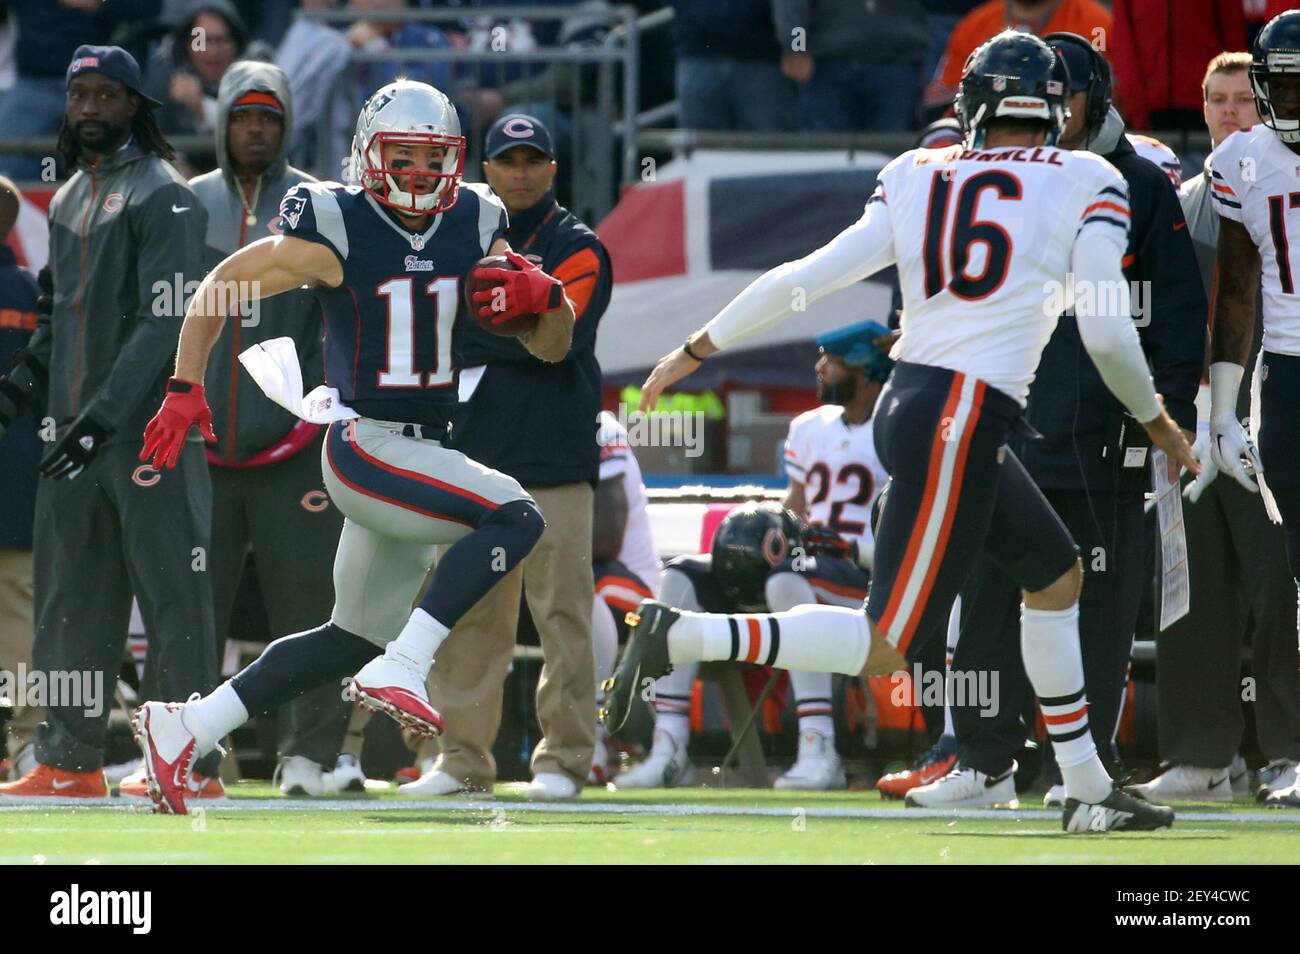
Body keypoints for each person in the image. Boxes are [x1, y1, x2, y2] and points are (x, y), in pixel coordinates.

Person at [605, 31, 1197, 832]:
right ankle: (683, 633)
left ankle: (1087, 785)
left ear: (972, 107)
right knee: (886, 644)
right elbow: (1105, 330)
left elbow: (807, 279)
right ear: (1055, 109)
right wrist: (1158, 418)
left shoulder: (920, 171)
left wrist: (697, 346)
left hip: (934, 406)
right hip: (959, 415)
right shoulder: (1089, 176)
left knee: (1055, 577)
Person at [128, 79, 571, 815]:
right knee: (517, 516)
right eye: (403, 156)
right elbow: (221, 283)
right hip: (367, 446)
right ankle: (406, 663)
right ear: (369, 154)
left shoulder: (478, 217)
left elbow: (552, 349)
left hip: (422, 448)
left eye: (435, 160)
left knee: (345, 637)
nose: (421, 174)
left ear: (456, 162)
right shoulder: (335, 219)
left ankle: (184, 726)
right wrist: (184, 385)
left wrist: (545, 299)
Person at [909, 31, 1205, 810]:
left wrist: (1159, 422)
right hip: (1004, 425)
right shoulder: (989, 176)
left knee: (1102, 616)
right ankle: (983, 761)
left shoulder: (1135, 183)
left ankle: (1089, 770)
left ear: (1093, 99)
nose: (1047, 111)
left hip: (1103, 438)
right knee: (984, 604)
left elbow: (1173, 315)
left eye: (1062, 94)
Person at [0, 46, 219, 801]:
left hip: (148, 435)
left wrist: (100, 420)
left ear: (135, 104)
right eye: (79, 94)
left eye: (106, 95)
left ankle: (191, 763)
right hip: (73, 436)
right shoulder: (65, 199)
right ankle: (70, 759)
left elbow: (167, 322)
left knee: (173, 600)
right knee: (69, 598)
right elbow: (57, 311)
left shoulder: (167, 194)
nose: (89, 107)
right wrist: (21, 385)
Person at [405, 113, 612, 801]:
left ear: (553, 169)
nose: (520, 172)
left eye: (533, 160)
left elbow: (563, 339)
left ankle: (564, 762)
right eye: (507, 160)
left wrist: (492, 325)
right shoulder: (459, 236)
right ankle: (460, 763)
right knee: (471, 617)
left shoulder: (579, 243)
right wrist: (518, 318)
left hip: (554, 459)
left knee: (564, 619)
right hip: (476, 459)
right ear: (484, 170)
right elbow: (453, 329)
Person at [160, 61, 352, 800]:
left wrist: (314, 413)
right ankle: (191, 754)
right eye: (244, 115)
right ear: (222, 122)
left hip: (294, 452)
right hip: (202, 449)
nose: (256, 128)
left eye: (269, 117)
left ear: (287, 124)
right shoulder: (184, 204)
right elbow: (160, 320)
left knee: (310, 607)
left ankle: (308, 756)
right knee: (190, 610)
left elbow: (335, 320)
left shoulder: (319, 206)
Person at [613, 322, 889, 791]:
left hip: (864, 569)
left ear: (863, 369)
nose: (820, 367)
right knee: (680, 576)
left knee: (786, 580)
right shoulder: (809, 426)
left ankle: (818, 746)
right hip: (804, 562)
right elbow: (797, 506)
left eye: (833, 359)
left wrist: (845, 549)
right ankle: (670, 746)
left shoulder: (895, 424)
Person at [1134, 51, 1300, 804]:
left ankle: (1287, 751)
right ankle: (1202, 754)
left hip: (1270, 411)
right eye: (1215, 98)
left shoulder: (1276, 182)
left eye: (1242, 98)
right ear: (1200, 108)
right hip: (1191, 419)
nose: (1230, 110)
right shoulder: (1178, 202)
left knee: (1280, 590)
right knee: (1189, 593)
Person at [1204, 10, 1300, 809]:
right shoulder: (1240, 158)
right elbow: (1236, 293)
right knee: (1291, 577)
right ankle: (1293, 750)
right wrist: (1224, 412)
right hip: (1290, 373)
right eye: (1285, 82)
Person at [588, 408, 662, 786]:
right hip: (579, 573)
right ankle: (442, 746)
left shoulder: (601, 428)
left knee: (580, 593)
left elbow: (605, 539)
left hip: (628, 584)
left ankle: (596, 736)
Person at [0, 177, 42, 780]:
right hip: (19, 485)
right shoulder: (33, 292)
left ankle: (34, 740)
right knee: (19, 612)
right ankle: (33, 740)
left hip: (16, 481)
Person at [923, 0, 1111, 117]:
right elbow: (942, 103)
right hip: (987, 141)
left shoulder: (1096, 23)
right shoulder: (974, 24)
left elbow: (1108, 97)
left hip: (1072, 142)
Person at [772, 0, 929, 133]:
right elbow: (791, 6)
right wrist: (796, 48)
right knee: (829, 151)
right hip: (828, 63)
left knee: (893, 153)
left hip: (898, 59)